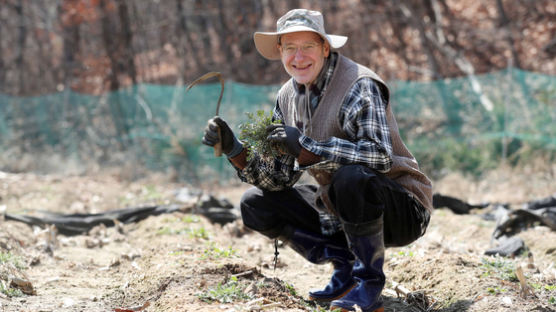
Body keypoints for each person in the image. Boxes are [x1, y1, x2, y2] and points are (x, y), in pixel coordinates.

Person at [202, 8, 432, 312]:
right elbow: (279, 178)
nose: (299, 57)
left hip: (401, 208)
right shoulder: (287, 96)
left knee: (352, 178)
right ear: (280, 52)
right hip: (339, 207)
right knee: (255, 203)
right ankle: (345, 267)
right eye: (290, 48)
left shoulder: (359, 84)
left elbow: (380, 156)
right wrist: (235, 151)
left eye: (307, 47)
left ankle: (368, 285)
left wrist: (310, 148)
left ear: (325, 48)